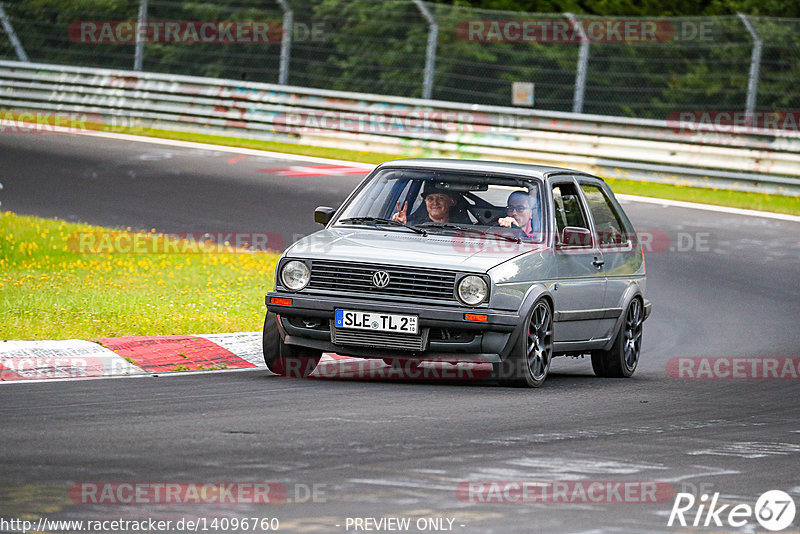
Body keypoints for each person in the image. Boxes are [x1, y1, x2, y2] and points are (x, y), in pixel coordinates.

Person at [392, 183, 461, 225]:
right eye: (430, 199)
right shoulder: (413, 226)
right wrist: (401, 224)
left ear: (451, 202)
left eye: (441, 198)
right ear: (425, 202)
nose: (435, 203)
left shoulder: (463, 227)